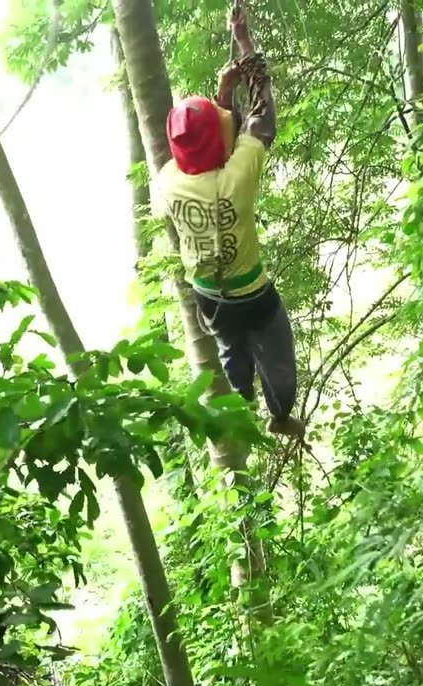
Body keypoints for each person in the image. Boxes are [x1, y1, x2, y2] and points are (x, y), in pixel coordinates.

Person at [154, 4, 305, 439]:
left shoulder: (168, 182)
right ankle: (279, 415)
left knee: (229, 348)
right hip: (251, 292)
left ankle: (241, 400)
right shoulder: (238, 177)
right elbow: (261, 111)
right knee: (276, 352)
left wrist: (223, 94)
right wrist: (244, 41)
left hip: (207, 295)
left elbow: (209, 154)